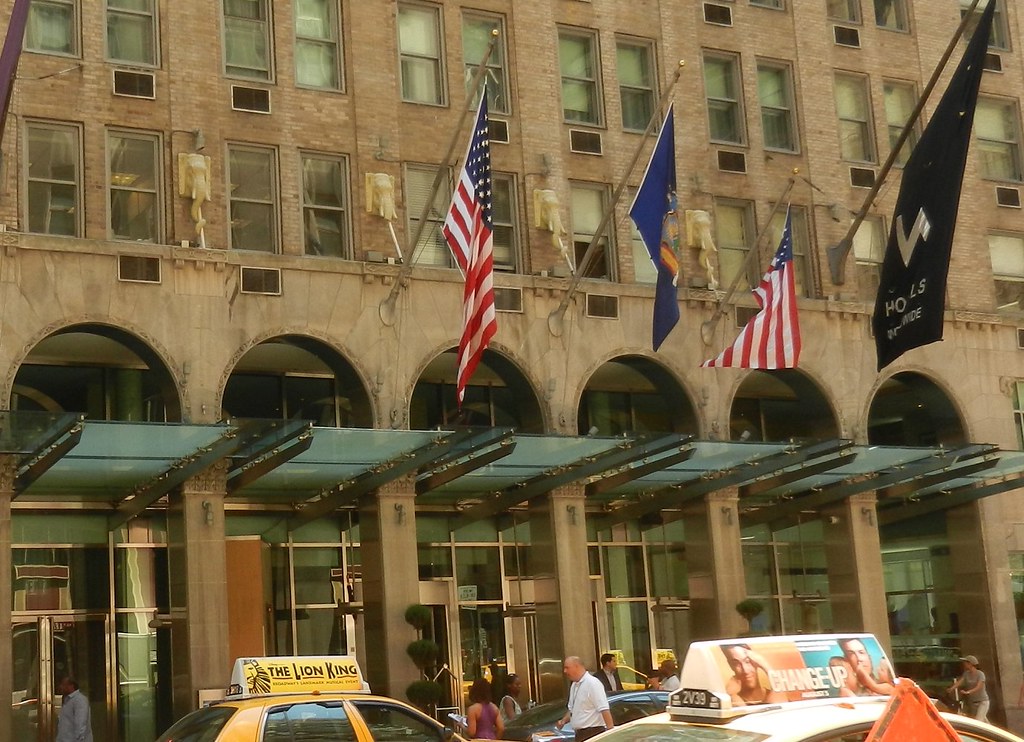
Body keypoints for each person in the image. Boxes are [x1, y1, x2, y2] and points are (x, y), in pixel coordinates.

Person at [556, 656, 613, 742]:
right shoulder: (574, 685)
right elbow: (572, 710)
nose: (565, 671)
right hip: (580, 734)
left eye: (567, 668)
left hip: (593, 733)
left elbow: (604, 709)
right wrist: (563, 721)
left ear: (577, 666)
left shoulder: (593, 683)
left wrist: (610, 734)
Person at [722, 644, 786, 705]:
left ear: (757, 661)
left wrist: (766, 666)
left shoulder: (777, 695)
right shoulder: (731, 700)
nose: (745, 670)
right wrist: (731, 695)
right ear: (730, 665)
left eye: (747, 661)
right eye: (736, 664)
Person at [949, 655, 989, 722]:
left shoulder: (980, 674)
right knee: (984, 722)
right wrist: (951, 688)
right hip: (973, 702)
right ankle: (993, 731)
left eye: (965, 662)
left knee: (978, 722)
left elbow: (979, 687)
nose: (964, 664)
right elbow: (959, 682)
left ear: (970, 664)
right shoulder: (966, 674)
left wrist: (968, 692)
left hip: (982, 702)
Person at [56, 675, 93, 742]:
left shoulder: (79, 700)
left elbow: (80, 723)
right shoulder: (67, 700)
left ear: (71, 686)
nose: (61, 687)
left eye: (63, 685)